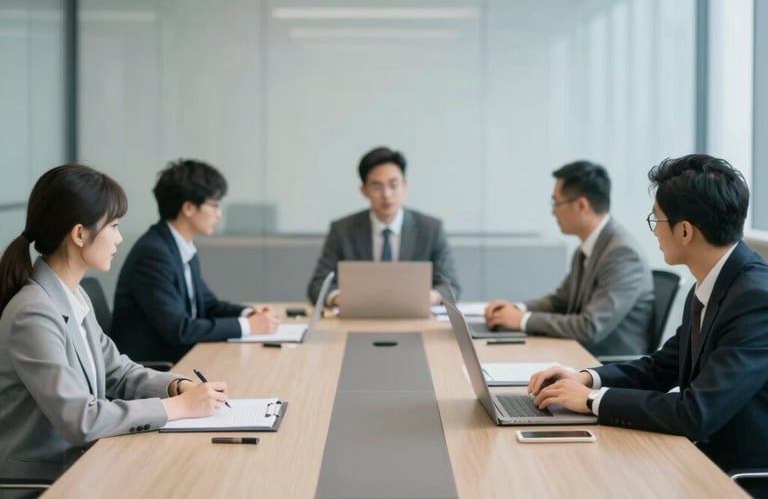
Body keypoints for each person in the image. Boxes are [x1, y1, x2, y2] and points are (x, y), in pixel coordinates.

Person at [529, 155, 768, 499]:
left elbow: (695, 413)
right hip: (697, 460)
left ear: (685, 231)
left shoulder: (755, 299)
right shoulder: (711, 283)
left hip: (736, 481)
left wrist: (593, 402)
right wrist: (586, 379)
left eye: (657, 219)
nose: (654, 230)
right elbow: (660, 368)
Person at [0, 164, 228, 499]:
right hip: (43, 489)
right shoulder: (34, 313)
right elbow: (82, 419)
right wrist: (177, 407)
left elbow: (117, 370)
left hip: (84, 468)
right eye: (114, 226)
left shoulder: (72, 298)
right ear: (79, 234)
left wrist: (174, 385)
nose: (120, 239)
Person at [111, 160, 279, 365]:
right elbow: (179, 329)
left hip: (184, 358)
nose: (219, 213)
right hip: (158, 367)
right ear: (189, 207)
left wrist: (249, 314)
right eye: (214, 205)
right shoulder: (153, 254)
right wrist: (248, 326)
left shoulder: (180, 247)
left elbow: (208, 305)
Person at [484, 160, 654, 357]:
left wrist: (523, 320)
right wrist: (516, 309)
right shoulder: (587, 248)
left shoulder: (622, 254)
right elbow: (561, 302)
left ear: (582, 205)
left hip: (605, 364)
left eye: (556, 203)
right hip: (576, 353)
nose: (552, 211)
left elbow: (590, 327)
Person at [307, 146, 460, 306]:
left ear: (405, 185)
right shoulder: (342, 230)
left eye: (393, 185)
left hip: (413, 317)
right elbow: (318, 286)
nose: (386, 194)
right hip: (360, 318)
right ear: (364, 190)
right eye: (376, 187)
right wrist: (340, 298)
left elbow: (451, 287)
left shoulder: (431, 229)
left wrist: (431, 297)